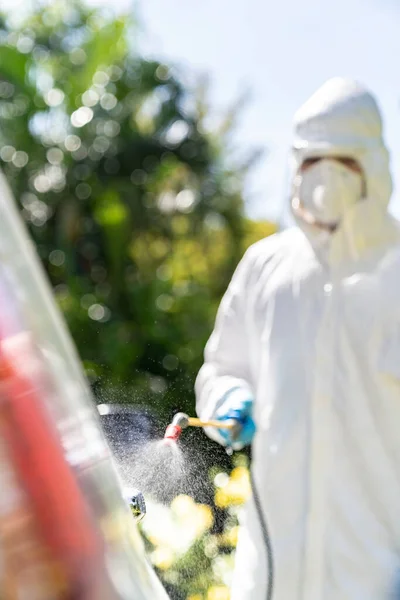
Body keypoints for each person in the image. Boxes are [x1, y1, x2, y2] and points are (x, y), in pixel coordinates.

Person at [195, 77, 400, 600]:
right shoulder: (267, 267)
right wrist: (226, 400)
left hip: (378, 569)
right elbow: (223, 366)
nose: (325, 182)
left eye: (343, 161)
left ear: (373, 166)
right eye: (312, 162)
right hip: (272, 575)